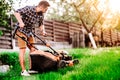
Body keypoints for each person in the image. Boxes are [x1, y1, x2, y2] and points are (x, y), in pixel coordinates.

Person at [14, 0, 50, 76]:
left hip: (29, 32)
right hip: (21, 31)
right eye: (46, 9)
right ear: (41, 7)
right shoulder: (29, 9)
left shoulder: (41, 15)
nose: (46, 11)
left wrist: (43, 31)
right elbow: (16, 12)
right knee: (23, 50)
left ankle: (31, 69)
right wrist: (20, 22)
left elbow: (41, 24)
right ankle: (23, 71)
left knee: (33, 50)